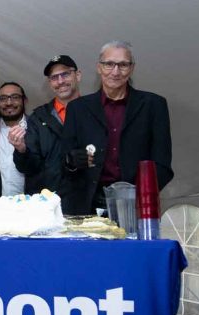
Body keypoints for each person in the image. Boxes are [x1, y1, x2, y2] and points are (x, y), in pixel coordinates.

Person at [60, 41, 173, 215]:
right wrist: (72, 162)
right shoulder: (78, 108)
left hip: (137, 205)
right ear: (99, 67)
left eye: (123, 65)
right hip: (87, 205)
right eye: (109, 64)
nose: (115, 71)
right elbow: (64, 161)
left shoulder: (153, 105)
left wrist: (141, 195)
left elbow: (162, 164)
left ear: (132, 68)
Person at [8, 55, 82, 194]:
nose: (60, 81)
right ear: (49, 83)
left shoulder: (94, 111)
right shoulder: (38, 117)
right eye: (54, 77)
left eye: (65, 74)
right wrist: (21, 150)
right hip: (48, 202)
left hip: (86, 200)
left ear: (78, 75)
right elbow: (28, 167)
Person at [0, 82, 29, 196]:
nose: (9, 103)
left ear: (24, 100)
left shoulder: (37, 128)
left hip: (30, 204)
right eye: (3, 98)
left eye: (15, 97)